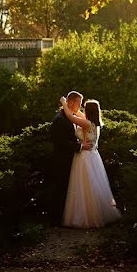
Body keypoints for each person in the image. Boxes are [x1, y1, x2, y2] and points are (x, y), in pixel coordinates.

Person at [59, 96, 122, 229]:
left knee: (84, 187)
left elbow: (71, 116)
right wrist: (76, 108)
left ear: (88, 111)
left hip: (85, 158)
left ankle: (88, 218)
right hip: (94, 156)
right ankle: (97, 214)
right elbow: (78, 114)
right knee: (92, 187)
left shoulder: (86, 124)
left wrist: (64, 103)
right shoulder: (95, 123)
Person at [49, 91, 92, 224]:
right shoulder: (59, 119)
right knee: (60, 189)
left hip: (72, 159)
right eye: (78, 103)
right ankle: (56, 220)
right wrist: (79, 147)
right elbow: (60, 141)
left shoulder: (71, 116)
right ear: (71, 102)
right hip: (62, 160)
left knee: (68, 190)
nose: (80, 106)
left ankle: (66, 218)